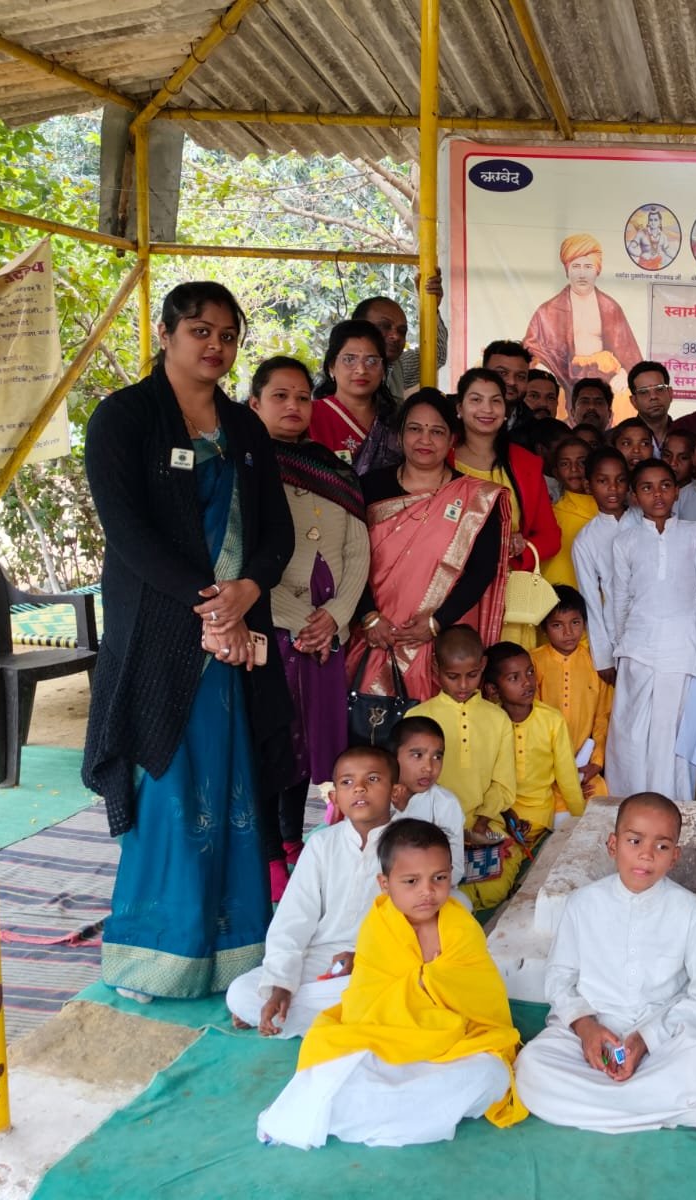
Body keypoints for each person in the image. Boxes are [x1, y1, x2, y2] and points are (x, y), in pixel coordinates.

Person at [83, 281, 293, 1001]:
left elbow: (277, 534)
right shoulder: (125, 417)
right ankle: (153, 955)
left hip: (235, 639)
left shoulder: (243, 426)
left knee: (236, 788)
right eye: (201, 330)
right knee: (169, 788)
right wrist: (211, 605)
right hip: (162, 636)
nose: (215, 346)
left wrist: (247, 592)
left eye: (228, 335)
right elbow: (128, 532)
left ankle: (235, 952)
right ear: (167, 332)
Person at [256, 819, 526, 1148]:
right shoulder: (379, 926)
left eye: (439, 878)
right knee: (333, 1064)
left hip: (453, 1042)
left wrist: (431, 984)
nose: (427, 891)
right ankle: (379, 1109)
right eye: (411, 881)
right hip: (386, 1038)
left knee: (491, 1075)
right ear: (385, 883)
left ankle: (356, 1112)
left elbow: (482, 1000)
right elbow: (367, 1002)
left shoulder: (460, 927)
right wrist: (424, 986)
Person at [516, 793, 696, 1132]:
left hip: (662, 1033)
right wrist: (586, 1028)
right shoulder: (583, 904)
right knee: (532, 1067)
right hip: (593, 1029)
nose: (646, 854)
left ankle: (618, 1104)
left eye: (661, 847)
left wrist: (645, 1039)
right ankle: (674, 1109)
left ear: (675, 856)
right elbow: (560, 979)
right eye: (635, 841)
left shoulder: (688, 910)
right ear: (613, 844)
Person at [247, 356, 368, 894]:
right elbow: (242, 557)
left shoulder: (332, 468)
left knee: (314, 743)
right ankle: (268, 853)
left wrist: (337, 618)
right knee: (273, 737)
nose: (293, 406)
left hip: (328, 633)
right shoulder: (243, 468)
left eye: (302, 397)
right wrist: (301, 623)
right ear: (254, 404)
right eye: (279, 396)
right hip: (273, 627)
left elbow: (357, 550)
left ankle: (293, 839)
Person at [226, 744, 400, 1037]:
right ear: (334, 797)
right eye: (347, 782)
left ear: (395, 792)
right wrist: (280, 985)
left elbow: (419, 917)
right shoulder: (322, 845)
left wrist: (364, 957)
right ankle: (344, 1022)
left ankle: (311, 1021)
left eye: (372, 779)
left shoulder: (410, 842)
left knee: (397, 989)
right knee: (241, 992)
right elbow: (293, 918)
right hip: (322, 958)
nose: (359, 789)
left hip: (383, 962)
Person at [349, 391, 509, 704]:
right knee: (370, 723)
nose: (425, 439)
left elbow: (482, 570)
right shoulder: (369, 486)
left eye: (437, 431)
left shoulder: (477, 498)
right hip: (374, 632)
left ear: (452, 439)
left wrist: (438, 621)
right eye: (415, 429)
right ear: (399, 435)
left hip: (442, 636)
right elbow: (349, 557)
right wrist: (369, 616)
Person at [607, 459, 696, 801]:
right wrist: (619, 646)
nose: (657, 494)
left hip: (683, 648)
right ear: (633, 496)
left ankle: (675, 807)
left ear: (676, 491)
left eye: (665, 486)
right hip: (637, 648)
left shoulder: (692, 534)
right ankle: (632, 805)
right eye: (646, 488)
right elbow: (620, 600)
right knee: (632, 733)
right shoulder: (624, 542)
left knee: (674, 736)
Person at [448, 367, 562, 648]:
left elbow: (551, 537)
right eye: (476, 400)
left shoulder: (524, 464)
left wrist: (523, 545)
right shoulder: (442, 458)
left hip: (509, 594)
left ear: (506, 409)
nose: (486, 409)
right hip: (450, 591)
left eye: (495, 400)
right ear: (459, 408)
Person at [469, 641, 584, 907]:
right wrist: (498, 816)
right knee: (478, 882)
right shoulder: (488, 722)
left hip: (534, 823)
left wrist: (580, 822)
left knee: (493, 891)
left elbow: (567, 777)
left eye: (530, 672)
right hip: (495, 819)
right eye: (514, 678)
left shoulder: (551, 720)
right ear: (493, 689)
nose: (527, 682)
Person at [403, 626, 515, 854]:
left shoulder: (498, 718)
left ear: (483, 666)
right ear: (436, 668)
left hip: (484, 826)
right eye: (453, 676)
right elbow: (407, 785)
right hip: (427, 828)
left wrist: (480, 824)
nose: (463, 686)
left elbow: (504, 785)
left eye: (472, 675)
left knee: (492, 888)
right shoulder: (416, 717)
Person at [524, 233, 643, 396]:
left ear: (597, 270)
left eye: (588, 267)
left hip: (605, 378)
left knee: (624, 401)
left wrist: (624, 374)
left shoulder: (610, 308)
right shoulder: (548, 310)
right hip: (561, 377)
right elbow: (531, 351)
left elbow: (630, 355)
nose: (582, 274)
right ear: (567, 270)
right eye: (576, 266)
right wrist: (544, 370)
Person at [533, 587, 611, 803]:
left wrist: (596, 762)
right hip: (543, 767)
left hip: (584, 766)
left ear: (585, 624)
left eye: (575, 623)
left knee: (598, 808)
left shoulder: (596, 664)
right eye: (557, 625)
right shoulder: (533, 662)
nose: (568, 632)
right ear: (544, 628)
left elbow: (602, 718)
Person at [571, 447, 633, 683]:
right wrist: (604, 657)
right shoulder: (585, 540)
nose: (613, 488)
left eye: (620, 480)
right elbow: (591, 600)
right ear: (588, 486)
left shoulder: (643, 519)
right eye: (602, 481)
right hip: (616, 629)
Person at [308, 320, 401, 475]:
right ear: (331, 366)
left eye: (371, 361)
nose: (361, 370)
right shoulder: (310, 415)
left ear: (383, 369)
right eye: (349, 359)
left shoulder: (396, 419)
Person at [387, 716, 466, 881]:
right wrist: (399, 811)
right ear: (393, 757)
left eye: (437, 757)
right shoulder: (378, 796)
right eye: (417, 755)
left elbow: (456, 868)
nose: (429, 767)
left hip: (431, 893)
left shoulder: (446, 804)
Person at [353, 284, 447, 407]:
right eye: (385, 326)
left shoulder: (398, 366)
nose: (396, 336)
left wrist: (431, 306)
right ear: (356, 328)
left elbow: (436, 354)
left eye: (402, 331)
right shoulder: (338, 371)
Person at [540, 435, 596, 589]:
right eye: (565, 464)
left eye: (582, 462)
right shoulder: (550, 516)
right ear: (556, 473)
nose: (574, 469)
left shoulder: (612, 512)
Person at [626, 360, 676, 453]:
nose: (653, 397)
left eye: (659, 389)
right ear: (634, 401)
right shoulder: (619, 437)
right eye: (644, 392)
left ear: (670, 393)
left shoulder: (686, 433)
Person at [626, 205, 678, 269]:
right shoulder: (642, 233)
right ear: (648, 221)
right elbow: (630, 247)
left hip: (657, 264)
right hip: (644, 264)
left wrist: (676, 258)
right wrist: (639, 254)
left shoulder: (663, 236)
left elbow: (667, 250)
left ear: (660, 221)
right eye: (651, 220)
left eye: (655, 220)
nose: (653, 222)